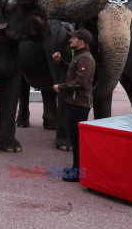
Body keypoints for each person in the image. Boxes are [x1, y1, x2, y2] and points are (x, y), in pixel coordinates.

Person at [52, 28, 96, 183]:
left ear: (81, 42)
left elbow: (80, 82)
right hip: (75, 103)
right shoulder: (78, 56)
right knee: (74, 138)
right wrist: (59, 61)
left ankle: (78, 172)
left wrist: (61, 87)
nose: (70, 40)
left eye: (73, 38)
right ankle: (75, 168)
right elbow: (72, 70)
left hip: (80, 104)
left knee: (77, 140)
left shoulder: (84, 58)